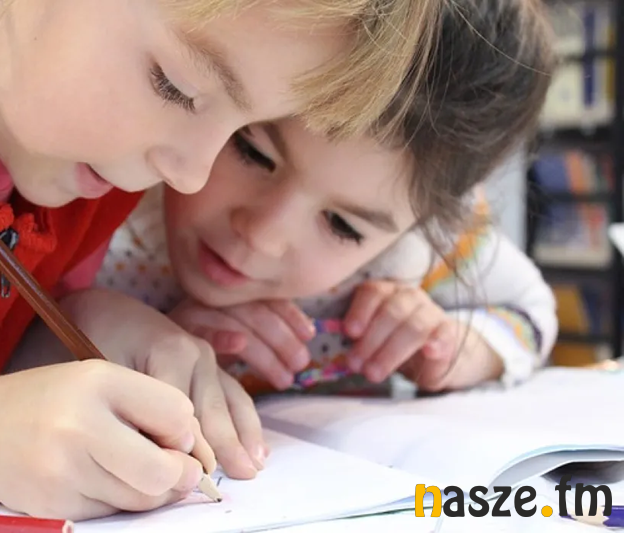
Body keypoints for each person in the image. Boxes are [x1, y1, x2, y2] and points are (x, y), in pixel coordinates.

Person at [0, 0, 441, 521]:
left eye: (242, 129)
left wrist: (68, 332)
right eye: (178, 87)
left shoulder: (88, 178)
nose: (192, 175)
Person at [92, 0, 558, 398]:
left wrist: (459, 348)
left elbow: (531, 311)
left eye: (342, 226)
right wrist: (124, 337)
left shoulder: (422, 253)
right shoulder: (104, 188)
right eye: (252, 153)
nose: (263, 236)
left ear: (421, 225)